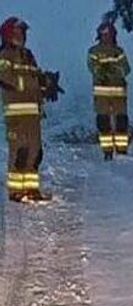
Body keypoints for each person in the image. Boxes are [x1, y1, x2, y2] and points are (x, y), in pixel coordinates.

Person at [0, 17, 61, 202]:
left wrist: (47, 85)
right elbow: (6, 77)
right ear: (8, 34)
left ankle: (31, 190)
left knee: (35, 151)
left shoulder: (29, 55)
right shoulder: (4, 55)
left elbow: (35, 78)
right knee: (20, 151)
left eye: (22, 32)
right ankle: (16, 191)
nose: (21, 36)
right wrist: (33, 83)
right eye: (17, 32)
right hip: (17, 112)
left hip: (33, 112)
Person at [88, 21, 131, 160]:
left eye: (109, 34)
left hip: (119, 91)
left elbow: (126, 69)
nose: (107, 37)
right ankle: (107, 151)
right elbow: (93, 68)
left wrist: (112, 70)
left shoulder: (119, 51)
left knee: (121, 121)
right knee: (103, 121)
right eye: (104, 34)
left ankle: (122, 149)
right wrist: (105, 71)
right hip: (102, 92)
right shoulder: (94, 51)